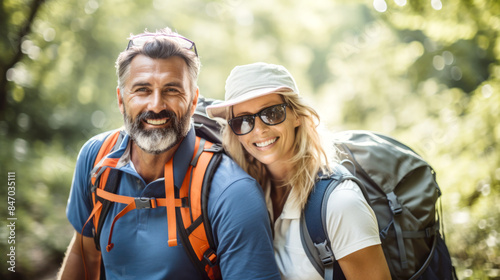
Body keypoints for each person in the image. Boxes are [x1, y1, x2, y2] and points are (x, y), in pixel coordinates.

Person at [58, 29, 281, 280]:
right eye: (142, 90)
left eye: (172, 90)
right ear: (121, 99)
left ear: (194, 100)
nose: (156, 105)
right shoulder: (96, 157)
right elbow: (84, 255)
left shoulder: (232, 193)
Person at [206, 62, 392, 280]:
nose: (258, 129)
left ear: (297, 115)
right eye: (243, 120)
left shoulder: (341, 203)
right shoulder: (247, 195)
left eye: (272, 113)